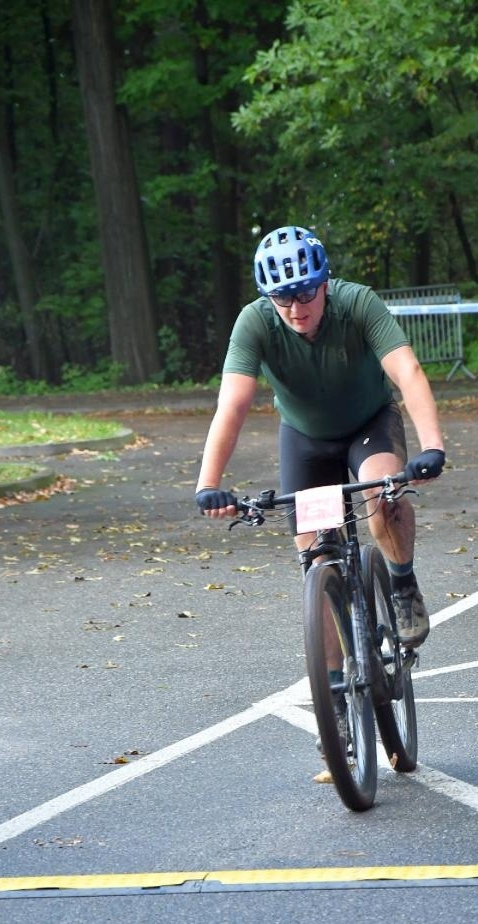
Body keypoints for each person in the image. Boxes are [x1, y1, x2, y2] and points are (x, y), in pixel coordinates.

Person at [195, 225, 445, 648]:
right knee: (316, 563)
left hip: (369, 425)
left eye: (306, 293)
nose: (296, 308)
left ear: (325, 283)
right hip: (306, 440)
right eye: (283, 297)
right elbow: (233, 404)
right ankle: (334, 691)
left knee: (383, 499)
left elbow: (407, 372)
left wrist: (433, 446)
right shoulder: (254, 323)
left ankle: (402, 584)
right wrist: (208, 484)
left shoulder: (358, 303)